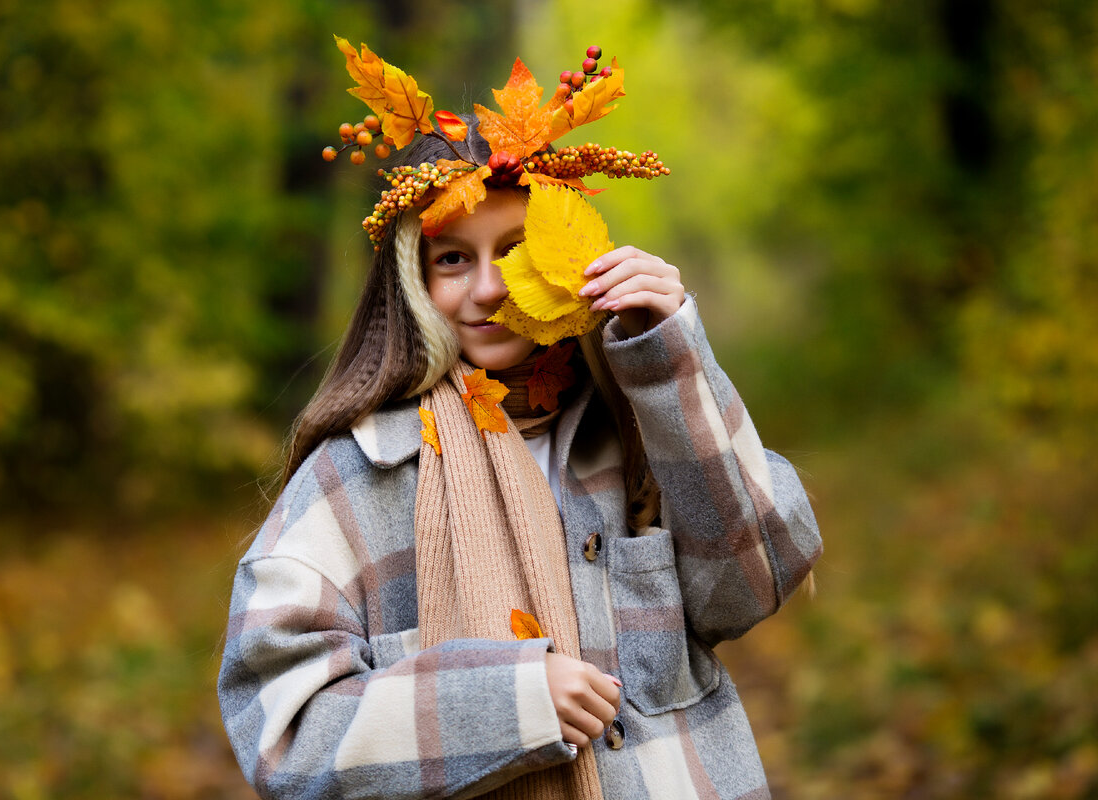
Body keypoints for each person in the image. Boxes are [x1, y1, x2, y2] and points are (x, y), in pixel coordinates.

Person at [219, 42, 821, 800]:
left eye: (516, 248)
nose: (489, 288)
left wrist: (671, 363)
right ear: (412, 280)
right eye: (451, 261)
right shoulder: (358, 478)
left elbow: (755, 581)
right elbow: (282, 730)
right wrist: (505, 706)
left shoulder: (639, 432)